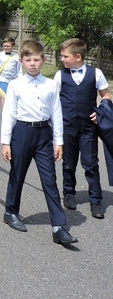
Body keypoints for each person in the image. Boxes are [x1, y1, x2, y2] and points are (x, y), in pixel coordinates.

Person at [0, 40, 78, 245]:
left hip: (44, 134)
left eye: (36, 59)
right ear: (21, 61)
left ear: (43, 60)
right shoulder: (15, 85)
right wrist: (6, 142)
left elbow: (56, 113)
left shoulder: (51, 84)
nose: (32, 63)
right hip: (22, 133)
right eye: (28, 60)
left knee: (49, 179)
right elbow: (9, 114)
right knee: (17, 174)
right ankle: (10, 212)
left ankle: (59, 227)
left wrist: (58, 142)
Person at [54, 38, 111, 219]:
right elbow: (52, 100)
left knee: (91, 164)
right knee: (69, 163)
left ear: (78, 56)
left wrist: (102, 109)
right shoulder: (59, 75)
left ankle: (96, 201)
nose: (62, 59)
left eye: (65, 56)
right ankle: (68, 193)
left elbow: (106, 94)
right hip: (67, 126)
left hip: (88, 128)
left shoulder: (96, 73)